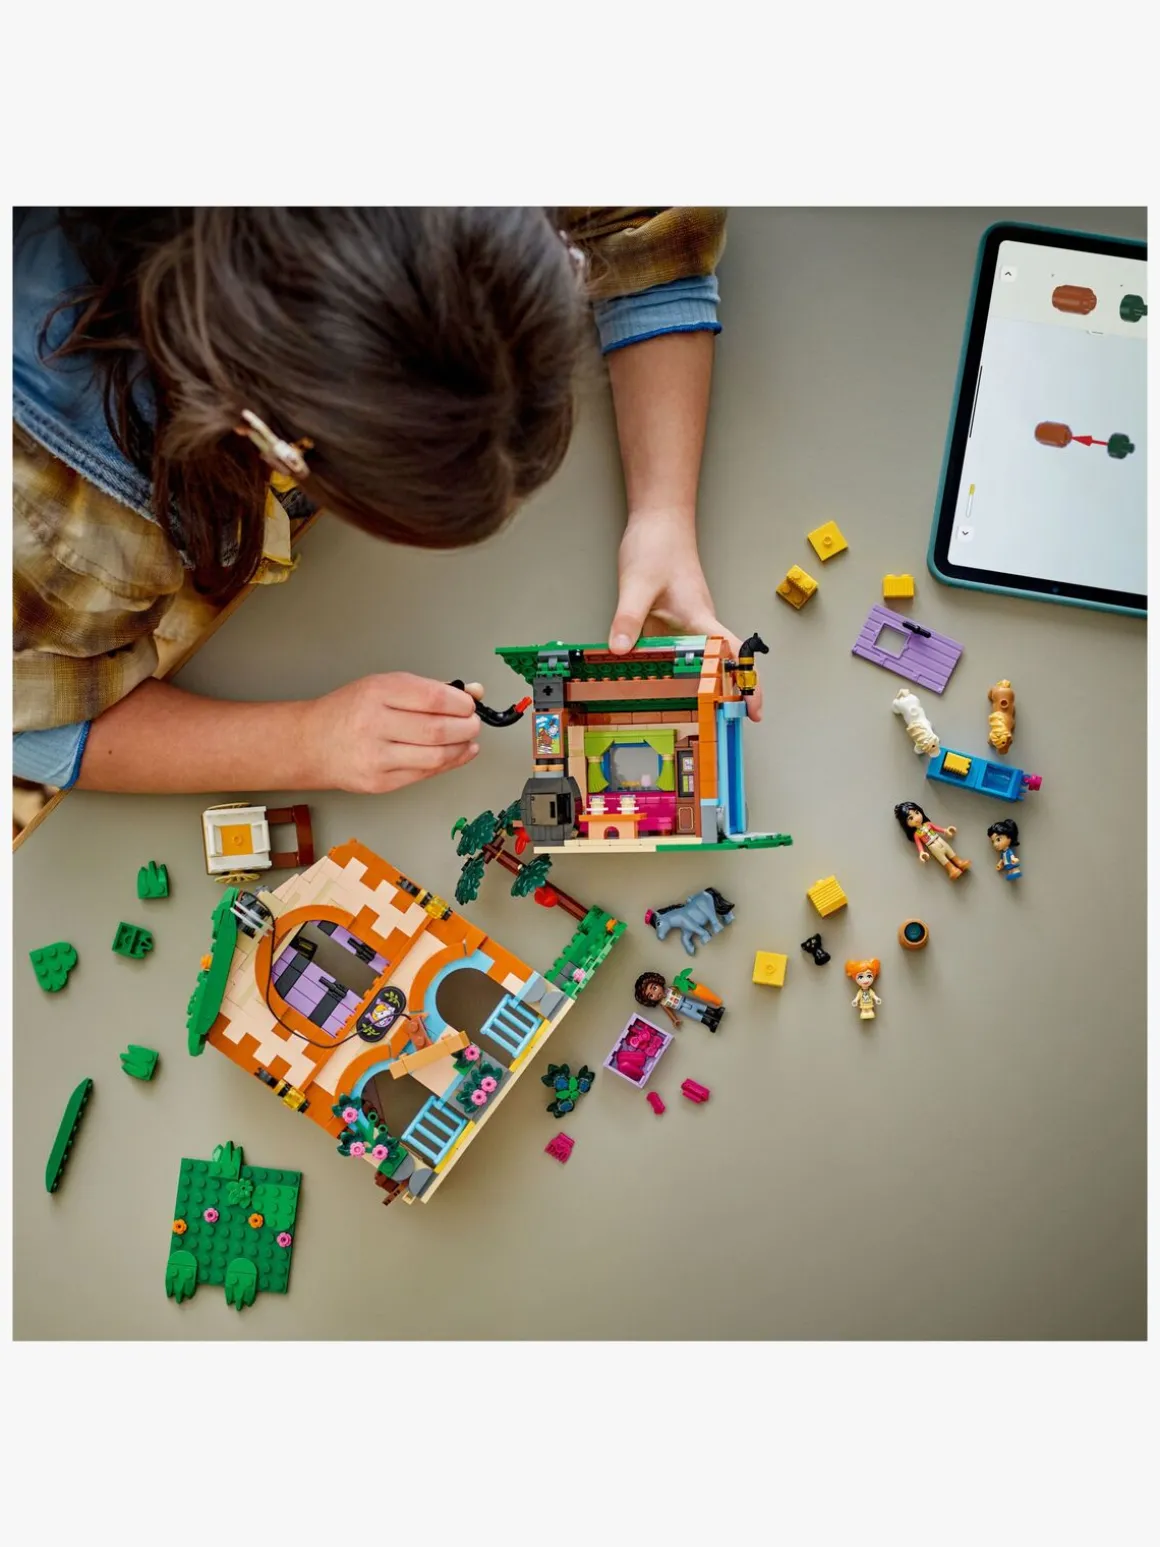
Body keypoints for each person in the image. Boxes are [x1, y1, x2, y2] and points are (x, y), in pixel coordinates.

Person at [14, 206, 757, 800]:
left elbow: (645, 219)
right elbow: (27, 728)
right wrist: (305, 742)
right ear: (277, 445)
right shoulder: (54, 520)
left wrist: (662, 514)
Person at [893, 800, 972, 880]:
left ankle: (959, 862)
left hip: (939, 840)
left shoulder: (928, 824)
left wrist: (946, 830)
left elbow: (937, 828)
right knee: (942, 858)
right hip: (932, 846)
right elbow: (919, 845)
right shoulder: (916, 834)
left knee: (949, 850)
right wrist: (922, 853)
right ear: (905, 823)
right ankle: (951, 869)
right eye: (911, 818)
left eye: (917, 813)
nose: (916, 818)